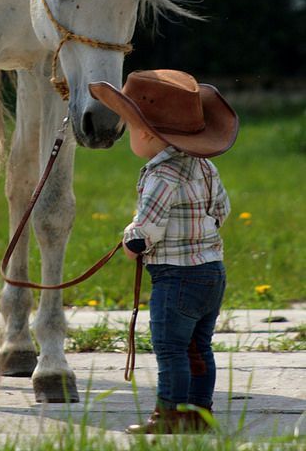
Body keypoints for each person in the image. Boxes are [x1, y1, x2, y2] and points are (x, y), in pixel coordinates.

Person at [89, 70, 239, 434]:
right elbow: (222, 210)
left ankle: (169, 415)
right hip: (211, 273)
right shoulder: (206, 167)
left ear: (146, 134)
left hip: (176, 277)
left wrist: (131, 241)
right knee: (198, 347)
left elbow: (148, 230)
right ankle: (199, 414)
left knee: (171, 348)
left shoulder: (161, 176)